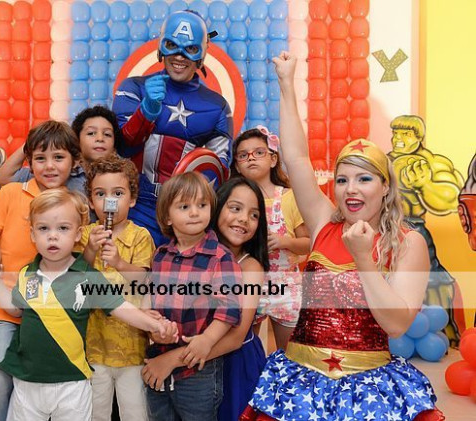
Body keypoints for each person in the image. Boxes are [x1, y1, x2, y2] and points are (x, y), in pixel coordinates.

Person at [241, 52, 443, 421]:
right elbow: (296, 159)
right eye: (343, 179)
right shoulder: (323, 222)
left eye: (364, 179)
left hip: (366, 389)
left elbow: (396, 324)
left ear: (385, 186)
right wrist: (286, 85)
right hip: (301, 382)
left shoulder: (407, 243)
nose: (351, 189)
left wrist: (364, 258)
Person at [0, 188, 174, 420]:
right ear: (32, 235)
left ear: (78, 234)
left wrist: (155, 325)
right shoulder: (27, 274)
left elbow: (121, 308)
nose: (53, 236)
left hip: (72, 384)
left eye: (63, 228)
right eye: (44, 229)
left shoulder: (88, 277)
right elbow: (16, 309)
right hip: (27, 383)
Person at [0, 120, 81, 421]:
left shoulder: (74, 203)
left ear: (74, 161)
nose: (50, 166)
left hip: (51, 310)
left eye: (58, 157)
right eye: (40, 158)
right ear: (29, 161)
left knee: (44, 388)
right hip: (6, 304)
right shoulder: (12, 193)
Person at [141, 177, 270, 421]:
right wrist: (153, 328)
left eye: (254, 215)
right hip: (183, 361)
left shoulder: (248, 266)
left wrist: (171, 360)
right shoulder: (170, 254)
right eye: (235, 208)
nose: (244, 219)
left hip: (229, 362)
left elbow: (235, 336)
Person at [112, 10, 233, 246]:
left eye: (190, 49)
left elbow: (217, 172)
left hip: (186, 212)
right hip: (135, 205)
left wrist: (186, 207)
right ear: (161, 47)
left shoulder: (217, 106)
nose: (179, 56)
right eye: (172, 46)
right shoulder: (133, 88)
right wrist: (145, 112)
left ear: (201, 54)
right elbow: (122, 148)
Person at [82, 155, 156, 421]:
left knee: (134, 412)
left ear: (132, 199)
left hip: (131, 348)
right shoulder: (85, 234)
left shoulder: (140, 236)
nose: (108, 200)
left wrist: (119, 263)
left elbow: (142, 279)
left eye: (118, 193)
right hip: (93, 346)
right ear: (91, 201)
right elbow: (75, 276)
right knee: (96, 412)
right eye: (100, 194)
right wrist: (91, 250)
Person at [389, 115, 465, 345]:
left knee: (433, 281)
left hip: (414, 229)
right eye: (396, 132)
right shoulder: (382, 162)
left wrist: (424, 184)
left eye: (406, 133)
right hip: (384, 229)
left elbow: (451, 199)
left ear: (419, 138)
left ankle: (441, 333)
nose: (398, 138)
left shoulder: (430, 163)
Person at [232, 126, 310, 350]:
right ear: (237, 165)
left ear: (273, 159)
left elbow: (308, 244)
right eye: (243, 155)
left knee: (290, 354)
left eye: (258, 152)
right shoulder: (233, 201)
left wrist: (286, 242)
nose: (251, 158)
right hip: (248, 286)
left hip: (286, 288)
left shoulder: (289, 197)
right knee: (245, 351)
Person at [0, 105, 122, 192]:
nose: (100, 138)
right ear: (76, 139)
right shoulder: (54, 171)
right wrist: (34, 141)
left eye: (107, 134)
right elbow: (3, 177)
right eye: (91, 133)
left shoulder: (117, 177)